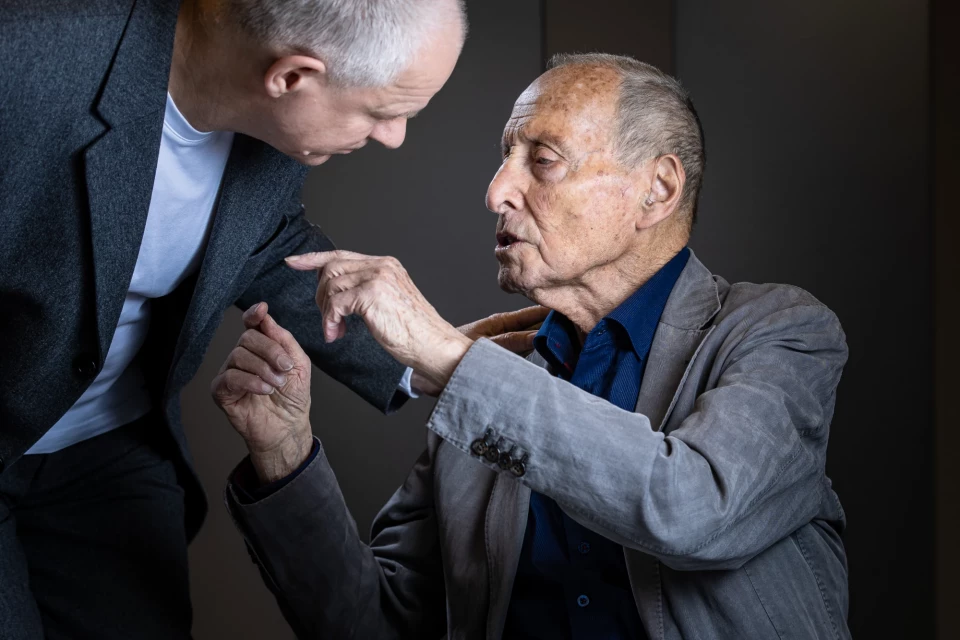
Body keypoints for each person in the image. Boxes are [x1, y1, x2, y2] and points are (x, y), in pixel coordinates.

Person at [218, 54, 852, 639]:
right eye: (505, 157)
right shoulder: (486, 382)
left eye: (542, 160)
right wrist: (285, 457)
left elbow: (694, 508)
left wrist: (448, 358)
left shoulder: (783, 332)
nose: (497, 191)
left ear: (657, 189)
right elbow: (376, 625)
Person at [0, 0, 531, 638]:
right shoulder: (23, 62)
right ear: (291, 77)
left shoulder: (272, 121)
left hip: (111, 445)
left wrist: (424, 360)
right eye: (383, 111)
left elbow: (266, 244)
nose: (394, 137)